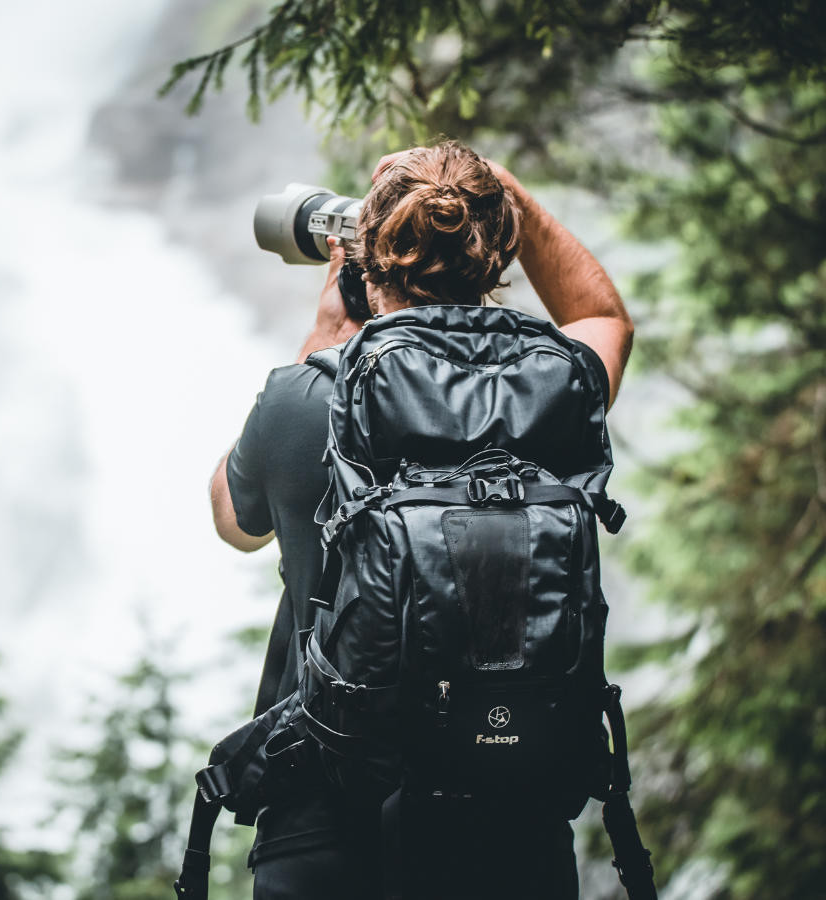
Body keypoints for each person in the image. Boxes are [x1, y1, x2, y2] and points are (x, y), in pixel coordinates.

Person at [210, 140, 633, 899]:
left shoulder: (304, 401)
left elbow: (232, 522)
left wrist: (324, 343)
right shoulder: (558, 389)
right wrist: (506, 193)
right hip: (514, 822)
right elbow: (601, 317)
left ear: (366, 263)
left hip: (326, 827)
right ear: (495, 253)